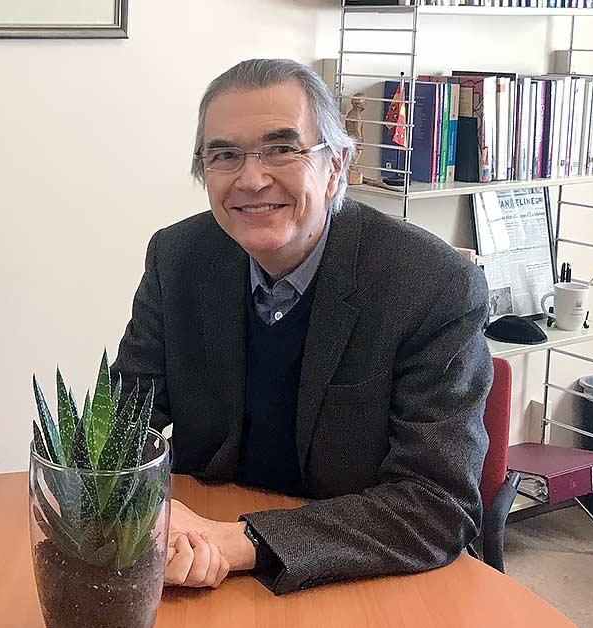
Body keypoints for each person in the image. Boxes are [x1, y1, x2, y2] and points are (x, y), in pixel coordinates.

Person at [112, 59, 491, 594]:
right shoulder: (178, 258)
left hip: (361, 572)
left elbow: (435, 505)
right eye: (225, 154)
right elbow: (123, 422)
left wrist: (237, 541)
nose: (251, 178)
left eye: (282, 148)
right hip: (197, 560)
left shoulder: (431, 284)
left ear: (336, 164)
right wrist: (139, 511)